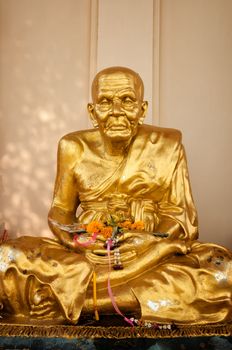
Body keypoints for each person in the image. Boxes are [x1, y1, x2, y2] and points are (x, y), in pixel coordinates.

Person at [0, 67, 232, 326]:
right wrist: (78, 240)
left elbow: (181, 213)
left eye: (127, 100)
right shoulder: (73, 147)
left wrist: (149, 242)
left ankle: (79, 303)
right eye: (106, 102)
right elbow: (60, 210)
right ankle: (118, 299)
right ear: (92, 111)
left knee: (220, 271)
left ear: (142, 110)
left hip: (151, 253)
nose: (117, 111)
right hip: (89, 254)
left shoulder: (167, 144)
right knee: (7, 257)